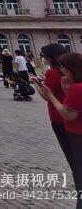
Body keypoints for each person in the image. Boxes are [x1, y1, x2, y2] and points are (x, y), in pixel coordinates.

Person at [35, 53, 82, 204]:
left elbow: (68, 114)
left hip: (77, 135)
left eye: (64, 69)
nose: (62, 72)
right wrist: (66, 90)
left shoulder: (78, 88)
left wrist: (51, 95)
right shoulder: (75, 87)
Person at [33, 43, 72, 176]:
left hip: (58, 116)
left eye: (43, 56)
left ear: (50, 57)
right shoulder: (71, 71)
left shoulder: (51, 72)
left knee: (71, 155)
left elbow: (46, 96)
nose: (42, 58)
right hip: (74, 114)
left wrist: (37, 84)